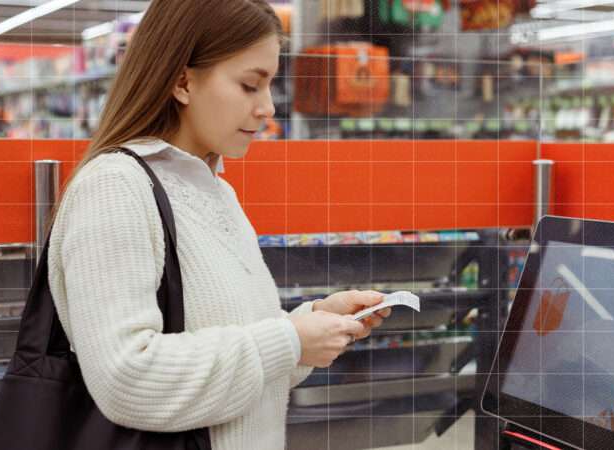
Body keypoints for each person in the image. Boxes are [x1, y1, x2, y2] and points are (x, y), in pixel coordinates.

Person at [46, 1, 392, 449]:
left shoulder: (213, 189)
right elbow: (127, 379)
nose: (267, 108)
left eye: (270, 85)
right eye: (250, 85)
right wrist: (287, 339)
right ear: (182, 81)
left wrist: (311, 326)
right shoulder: (114, 188)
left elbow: (239, 357)